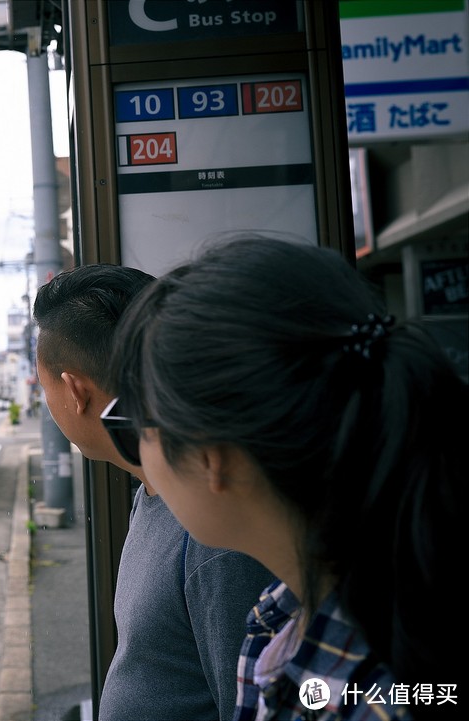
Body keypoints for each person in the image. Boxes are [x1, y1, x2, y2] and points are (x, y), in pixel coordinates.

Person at [105, 236, 464, 721]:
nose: (140, 461)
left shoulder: (364, 699)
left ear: (212, 458)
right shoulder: (285, 611)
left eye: (136, 428)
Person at [32, 263, 276, 721]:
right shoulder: (153, 492)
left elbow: (247, 706)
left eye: (43, 387)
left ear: (74, 391)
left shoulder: (217, 538)